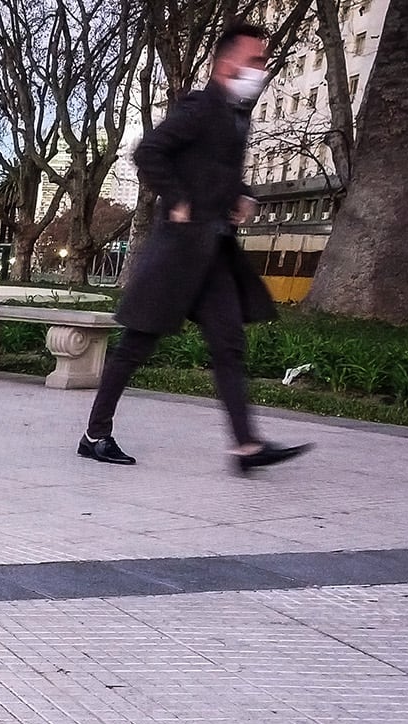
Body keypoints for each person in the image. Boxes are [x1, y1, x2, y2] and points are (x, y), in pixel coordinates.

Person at [79, 22, 310, 475]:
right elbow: (150, 151)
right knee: (134, 347)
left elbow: (214, 169)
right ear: (227, 64)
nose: (262, 69)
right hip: (178, 253)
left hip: (214, 253)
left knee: (229, 345)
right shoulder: (203, 107)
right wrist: (178, 199)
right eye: (255, 61)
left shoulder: (233, 113)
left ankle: (246, 446)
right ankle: (94, 435)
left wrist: (241, 194)